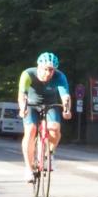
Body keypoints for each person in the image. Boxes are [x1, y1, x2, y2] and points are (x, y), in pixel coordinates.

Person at [18, 52, 71, 182]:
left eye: (51, 70)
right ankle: (28, 169)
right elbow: (22, 95)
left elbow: (65, 97)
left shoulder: (60, 76)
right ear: (39, 67)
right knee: (30, 130)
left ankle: (49, 154)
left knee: (54, 128)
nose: (48, 73)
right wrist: (23, 108)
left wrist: (67, 110)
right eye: (45, 69)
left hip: (50, 104)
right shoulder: (28, 74)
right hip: (31, 105)